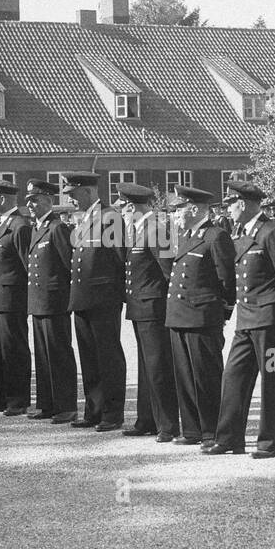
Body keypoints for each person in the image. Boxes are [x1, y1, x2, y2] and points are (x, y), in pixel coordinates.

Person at [207, 179, 275, 458]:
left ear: (242, 204)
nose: (228, 210)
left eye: (231, 204)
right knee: (234, 376)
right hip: (246, 321)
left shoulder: (272, 233)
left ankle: (271, 442)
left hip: (269, 322)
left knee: (272, 378)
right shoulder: (242, 234)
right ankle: (229, 437)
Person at [164, 186, 236, 450]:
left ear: (194, 209)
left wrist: (223, 312)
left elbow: (227, 280)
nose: (175, 215)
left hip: (203, 316)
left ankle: (212, 430)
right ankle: (192, 428)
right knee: (184, 375)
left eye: (178, 209)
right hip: (180, 316)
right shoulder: (185, 236)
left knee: (206, 376)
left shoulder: (216, 236)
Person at [63, 173, 127, 432]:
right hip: (82, 297)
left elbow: (119, 258)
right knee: (89, 357)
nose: (69, 198)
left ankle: (112, 413)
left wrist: (116, 294)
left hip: (103, 298)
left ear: (88, 192)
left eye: (73, 193)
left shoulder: (110, 216)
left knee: (108, 356)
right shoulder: (84, 219)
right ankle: (94, 409)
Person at [118, 182, 177, 441]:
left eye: (123, 207)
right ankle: (147, 419)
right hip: (141, 307)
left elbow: (168, 273)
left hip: (154, 308)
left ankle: (167, 424)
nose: (121, 213)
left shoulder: (155, 229)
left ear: (132, 206)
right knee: (145, 367)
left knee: (158, 367)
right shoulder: (140, 229)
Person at [24, 180, 78, 424]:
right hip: (39, 301)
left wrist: (66, 298)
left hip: (55, 301)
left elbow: (69, 266)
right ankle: (46, 403)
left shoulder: (57, 228)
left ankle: (66, 406)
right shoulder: (37, 228)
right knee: (43, 355)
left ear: (47, 200)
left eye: (34, 200)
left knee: (58, 353)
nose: (30, 204)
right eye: (29, 200)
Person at [0, 179, 32, 415]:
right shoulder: (3, 224)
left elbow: (28, 267)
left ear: (2, 199)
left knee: (14, 348)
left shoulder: (19, 225)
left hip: (12, 298)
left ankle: (18, 399)